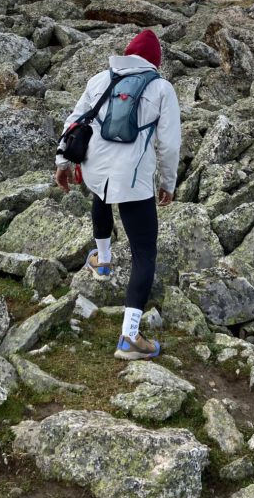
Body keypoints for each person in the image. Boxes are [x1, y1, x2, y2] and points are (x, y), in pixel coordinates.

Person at [54, 29, 181, 360]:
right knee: (144, 252)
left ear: (127, 54)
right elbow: (169, 143)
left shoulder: (100, 79)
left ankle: (104, 261)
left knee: (101, 196)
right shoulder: (161, 88)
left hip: (94, 167)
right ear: (155, 61)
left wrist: (63, 161)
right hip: (133, 177)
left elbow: (75, 120)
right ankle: (130, 337)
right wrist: (168, 182)